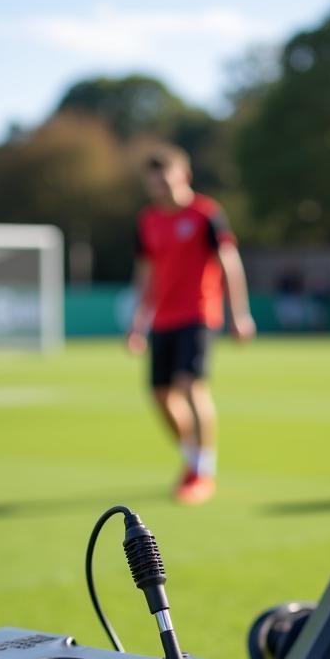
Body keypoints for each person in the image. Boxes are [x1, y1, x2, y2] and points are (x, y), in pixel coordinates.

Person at [126, 145, 256, 505]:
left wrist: (239, 313)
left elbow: (229, 262)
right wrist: (137, 322)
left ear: (184, 176)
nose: (162, 191)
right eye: (155, 185)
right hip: (162, 319)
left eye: (167, 183)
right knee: (160, 397)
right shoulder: (148, 221)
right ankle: (192, 458)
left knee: (190, 386)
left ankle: (203, 471)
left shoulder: (205, 213)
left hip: (199, 314)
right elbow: (146, 273)